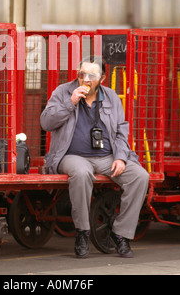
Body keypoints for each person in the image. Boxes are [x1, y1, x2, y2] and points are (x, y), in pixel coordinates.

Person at [40, 55, 149, 258]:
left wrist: (120, 158)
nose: (86, 79)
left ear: (103, 78)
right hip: (72, 156)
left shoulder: (111, 97)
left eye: (92, 75)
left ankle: (121, 234)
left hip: (107, 156)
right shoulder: (63, 92)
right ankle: (82, 233)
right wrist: (70, 102)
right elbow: (45, 123)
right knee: (81, 174)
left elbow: (120, 132)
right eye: (82, 74)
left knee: (140, 176)